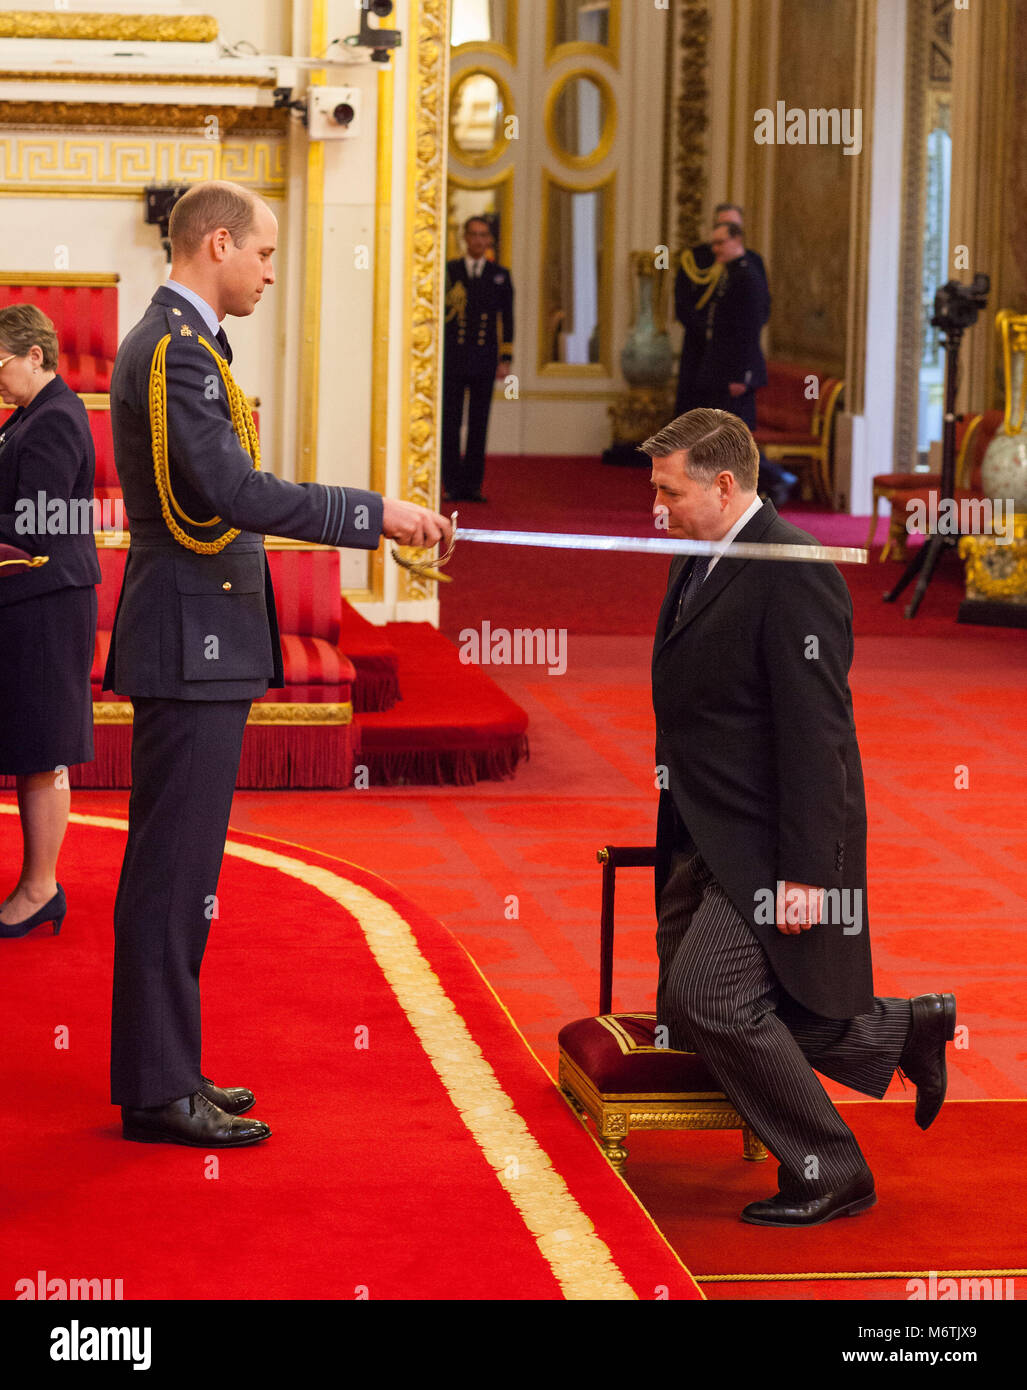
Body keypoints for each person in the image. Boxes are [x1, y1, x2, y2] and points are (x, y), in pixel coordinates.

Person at [105, 179, 450, 1148]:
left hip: (196, 636)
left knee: (182, 869)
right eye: (261, 254)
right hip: (190, 639)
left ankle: (167, 1070)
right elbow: (230, 491)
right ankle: (157, 1089)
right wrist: (367, 512)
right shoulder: (176, 350)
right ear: (216, 244)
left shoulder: (187, 344)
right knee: (174, 872)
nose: (266, 271)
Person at [643, 408, 956, 1226]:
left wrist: (810, 875)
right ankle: (899, 1033)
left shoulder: (792, 572)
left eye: (668, 491)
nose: (658, 507)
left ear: (722, 483)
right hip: (702, 831)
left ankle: (832, 1168)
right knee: (683, 1011)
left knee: (711, 999)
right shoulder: (702, 553)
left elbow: (822, 744)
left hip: (764, 844)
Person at [0, 304, 101, 939]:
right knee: (28, 744)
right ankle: (35, 884)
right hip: (23, 599)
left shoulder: (58, 419)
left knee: (42, 749)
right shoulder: (29, 416)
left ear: (35, 356)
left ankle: (40, 889)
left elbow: (33, 525)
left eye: (0, 363)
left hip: (45, 601)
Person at [441, 216, 514, 503]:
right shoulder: (449, 271)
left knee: (478, 424)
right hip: (454, 358)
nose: (479, 240)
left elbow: (507, 319)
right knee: (451, 422)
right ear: (465, 238)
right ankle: (452, 485)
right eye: (473, 234)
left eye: (484, 235)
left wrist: (505, 357)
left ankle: (472, 486)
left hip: (484, 358)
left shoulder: (500, 274)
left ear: (489, 240)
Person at [673, 203, 766, 418]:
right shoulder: (695, 258)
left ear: (738, 235)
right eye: (719, 226)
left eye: (730, 226)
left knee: (729, 434)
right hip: (700, 354)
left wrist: (742, 373)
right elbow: (683, 305)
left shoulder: (748, 269)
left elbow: (753, 322)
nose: (716, 247)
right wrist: (707, 332)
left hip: (732, 363)